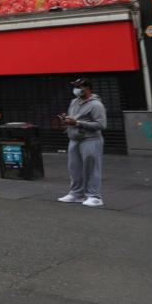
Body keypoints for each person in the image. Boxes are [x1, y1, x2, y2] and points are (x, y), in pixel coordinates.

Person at [58, 78, 106, 207]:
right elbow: (73, 119)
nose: (76, 89)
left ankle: (94, 196)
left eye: (79, 87)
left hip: (90, 140)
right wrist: (66, 120)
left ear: (87, 88)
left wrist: (77, 123)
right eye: (75, 86)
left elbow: (101, 125)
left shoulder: (96, 105)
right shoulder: (74, 102)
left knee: (91, 167)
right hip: (74, 139)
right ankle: (76, 194)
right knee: (74, 168)